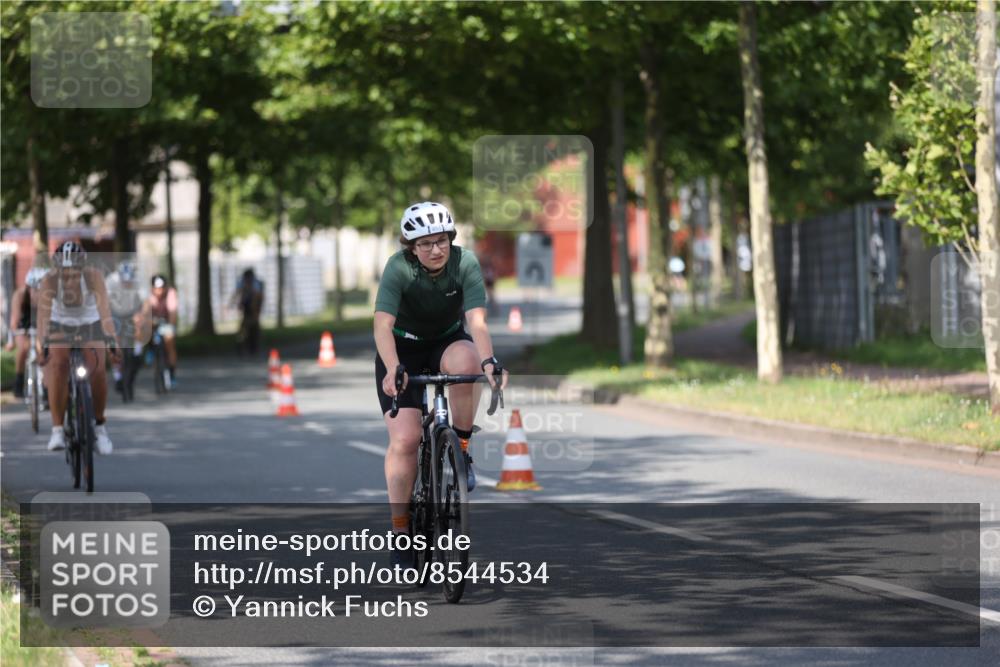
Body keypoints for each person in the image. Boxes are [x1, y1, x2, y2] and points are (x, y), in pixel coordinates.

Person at [374, 201, 508, 567]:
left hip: (446, 341)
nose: (436, 250)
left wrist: (489, 362)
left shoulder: (465, 263)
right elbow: (382, 325)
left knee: (468, 362)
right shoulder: (398, 268)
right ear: (411, 247)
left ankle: (461, 449)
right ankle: (401, 531)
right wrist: (392, 367)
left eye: (442, 241)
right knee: (405, 440)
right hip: (401, 348)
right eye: (425, 243)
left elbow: (477, 321)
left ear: (451, 239)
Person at [35, 242, 120, 454]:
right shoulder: (49, 281)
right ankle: (57, 430)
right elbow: (43, 319)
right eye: (65, 276)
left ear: (83, 270)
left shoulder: (94, 277)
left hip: (89, 320)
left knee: (98, 369)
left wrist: (113, 343)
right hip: (59, 322)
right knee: (58, 365)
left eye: (75, 275)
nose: (70, 281)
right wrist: (41, 347)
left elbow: (105, 314)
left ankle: (99, 427)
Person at [5, 267, 48, 398]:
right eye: (34, 289)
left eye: (41, 289)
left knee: (43, 351)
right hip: (23, 324)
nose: (38, 293)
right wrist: (12, 339)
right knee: (23, 348)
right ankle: (19, 382)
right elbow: (14, 320)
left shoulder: (48, 297)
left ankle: (46, 385)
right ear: (28, 287)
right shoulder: (19, 296)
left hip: (41, 323)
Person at [105, 261, 145, 399]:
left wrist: (141, 315)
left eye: (129, 282)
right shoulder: (111, 281)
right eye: (124, 282)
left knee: (140, 324)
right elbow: (104, 303)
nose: (127, 284)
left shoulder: (138, 281)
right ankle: (117, 375)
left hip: (132, 312)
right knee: (113, 344)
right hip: (115, 313)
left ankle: (138, 350)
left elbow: (145, 302)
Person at [141, 274, 179, 383]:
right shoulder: (149, 296)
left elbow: (172, 313)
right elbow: (145, 312)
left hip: (166, 322)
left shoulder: (171, 293)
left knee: (169, 340)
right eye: (157, 288)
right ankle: (149, 349)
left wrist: (170, 326)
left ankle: (172, 372)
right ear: (152, 288)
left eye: (162, 288)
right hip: (153, 323)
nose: (159, 291)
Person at [230, 268, 264, 356]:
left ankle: (253, 347)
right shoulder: (242, 282)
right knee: (245, 327)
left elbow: (258, 297)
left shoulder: (256, 283)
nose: (247, 281)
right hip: (246, 307)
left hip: (254, 307)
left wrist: (255, 311)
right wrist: (233, 304)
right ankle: (243, 346)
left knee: (254, 327)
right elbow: (237, 293)